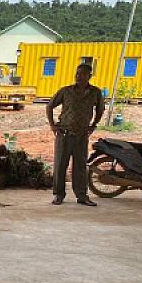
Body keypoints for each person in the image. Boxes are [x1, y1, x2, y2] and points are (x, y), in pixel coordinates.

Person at [46, 63, 104, 206]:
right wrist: (53, 125)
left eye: (82, 74)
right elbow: (49, 106)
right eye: (77, 73)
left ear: (89, 76)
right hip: (64, 134)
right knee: (60, 165)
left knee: (80, 166)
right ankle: (58, 195)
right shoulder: (66, 91)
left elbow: (100, 109)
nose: (79, 76)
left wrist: (93, 125)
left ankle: (82, 196)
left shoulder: (95, 92)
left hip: (82, 135)